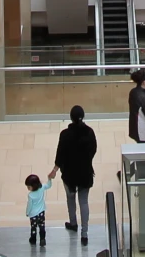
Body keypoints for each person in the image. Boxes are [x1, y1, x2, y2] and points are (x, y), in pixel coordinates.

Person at [51, 105, 98, 244]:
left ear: (71, 118)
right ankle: (84, 233)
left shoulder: (65, 134)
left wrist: (55, 169)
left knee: (70, 197)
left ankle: (73, 223)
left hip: (69, 174)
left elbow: (60, 154)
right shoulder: (89, 133)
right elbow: (93, 150)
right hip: (85, 173)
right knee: (84, 201)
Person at [25, 173, 47, 246]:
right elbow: (49, 185)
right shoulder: (42, 188)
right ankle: (42, 239)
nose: (28, 188)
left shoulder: (30, 195)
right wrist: (49, 179)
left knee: (33, 227)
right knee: (42, 225)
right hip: (41, 212)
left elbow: (29, 205)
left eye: (29, 186)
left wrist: (27, 212)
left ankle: (33, 239)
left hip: (33, 214)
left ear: (33, 186)